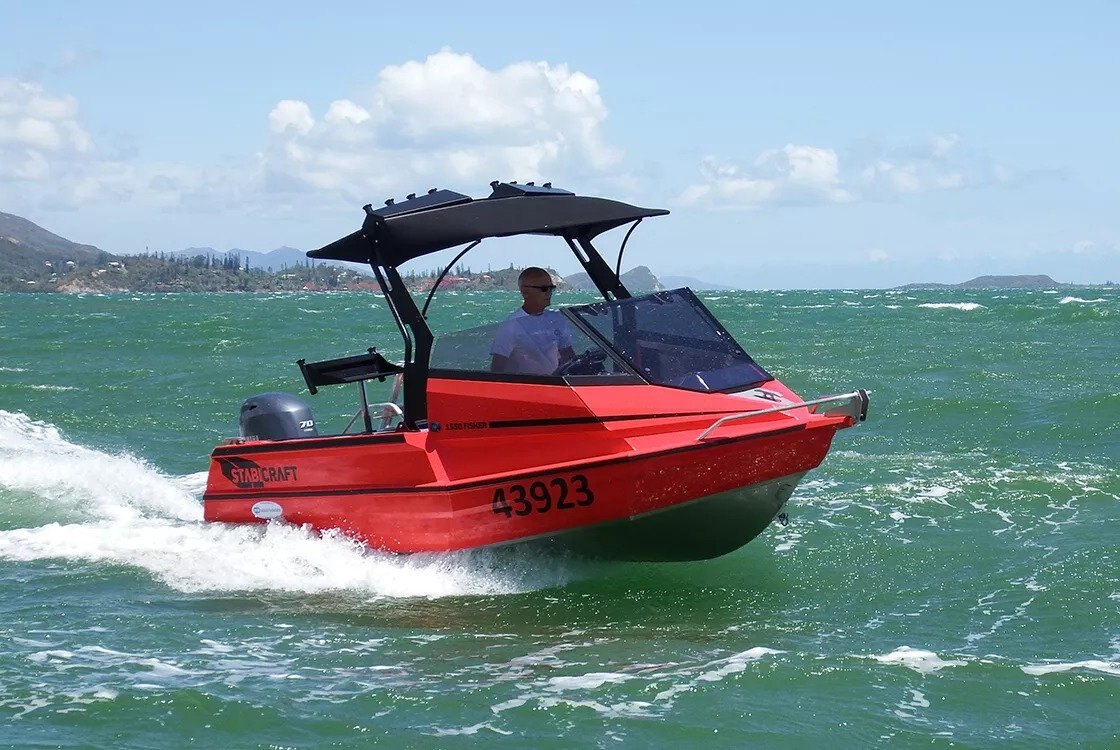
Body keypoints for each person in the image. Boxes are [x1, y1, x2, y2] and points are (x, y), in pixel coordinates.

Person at [490, 267, 575, 375]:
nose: (549, 293)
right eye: (544, 289)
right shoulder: (511, 325)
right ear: (525, 292)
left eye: (551, 288)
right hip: (528, 384)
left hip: (556, 382)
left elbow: (568, 355)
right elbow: (497, 369)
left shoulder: (557, 318)